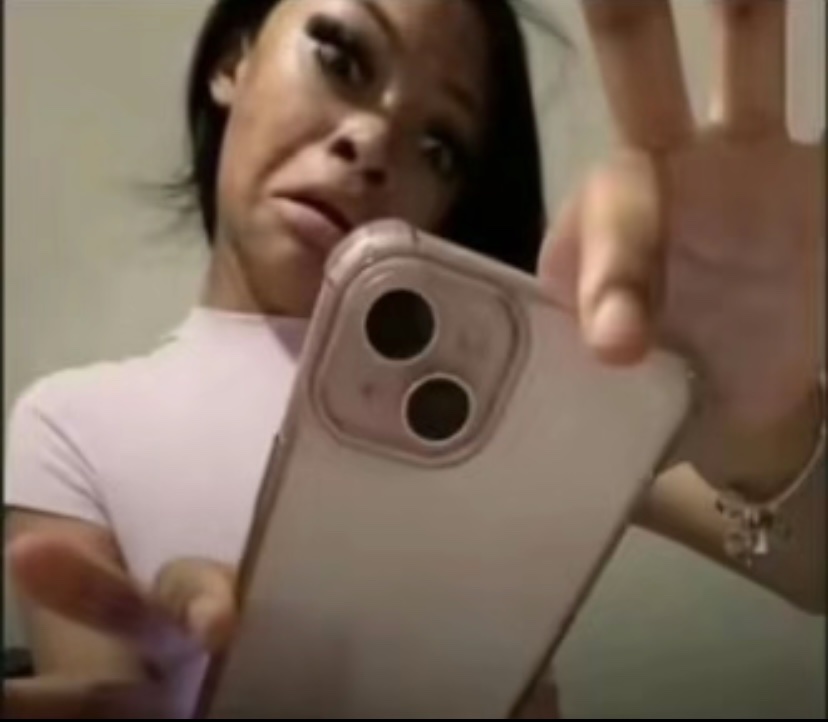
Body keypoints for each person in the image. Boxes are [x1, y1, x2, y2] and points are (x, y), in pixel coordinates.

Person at [3, 0, 824, 718]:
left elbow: (813, 568)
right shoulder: (68, 422)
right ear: (233, 60)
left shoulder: (522, 391)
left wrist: (767, 422)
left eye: (440, 145)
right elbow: (97, 696)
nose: (374, 142)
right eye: (341, 57)